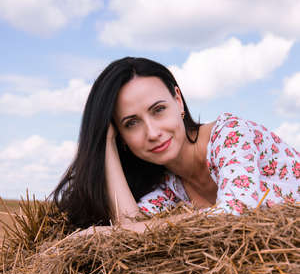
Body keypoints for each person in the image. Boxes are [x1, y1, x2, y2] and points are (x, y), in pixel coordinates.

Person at [53, 57, 300, 235]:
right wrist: (106, 144)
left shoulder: (230, 135)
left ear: (178, 101)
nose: (152, 132)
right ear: (122, 138)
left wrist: (104, 234)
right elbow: (130, 228)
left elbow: (236, 213)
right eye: (131, 124)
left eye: (158, 110)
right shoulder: (170, 185)